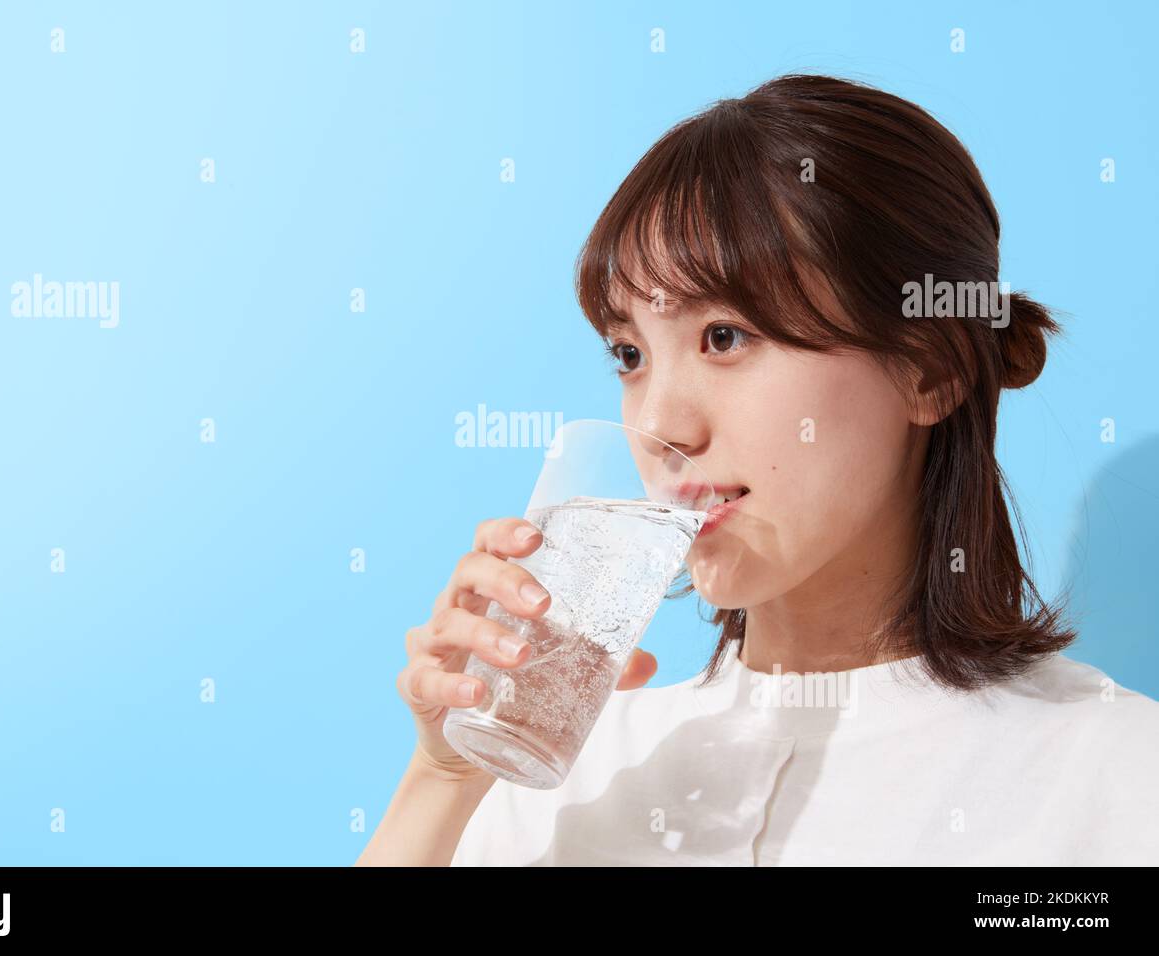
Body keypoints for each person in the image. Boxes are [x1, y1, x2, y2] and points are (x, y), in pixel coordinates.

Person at [354, 73, 1159, 867]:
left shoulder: (1113, 781)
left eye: (726, 337)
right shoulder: (565, 775)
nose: (660, 425)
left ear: (928, 366)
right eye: (629, 355)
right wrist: (443, 777)